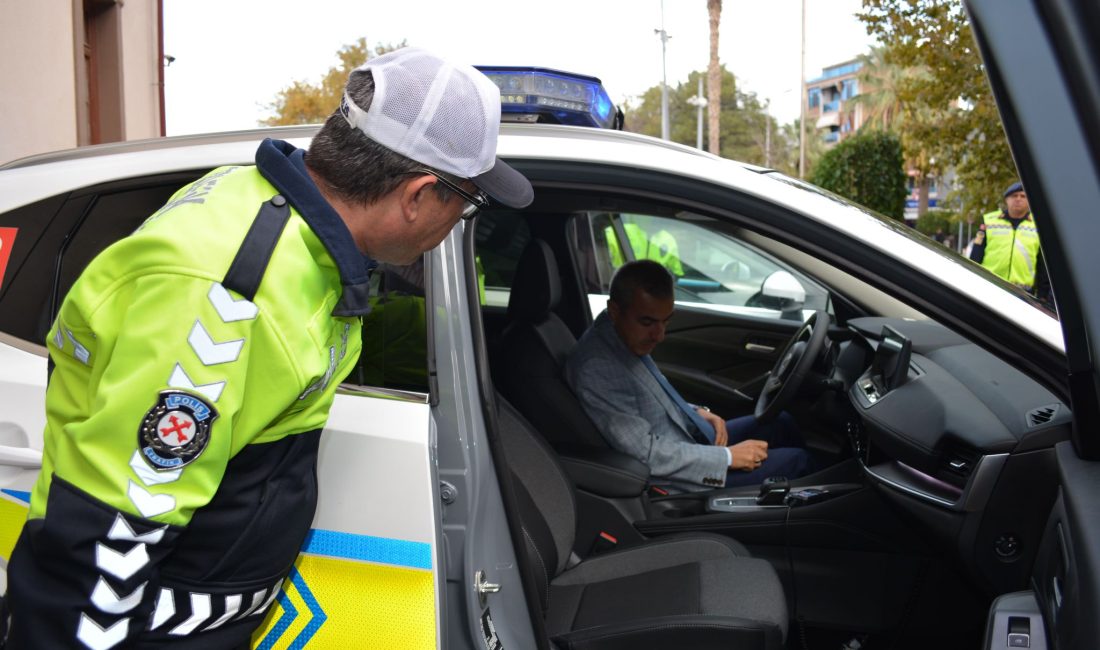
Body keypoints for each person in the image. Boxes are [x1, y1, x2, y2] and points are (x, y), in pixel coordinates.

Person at [3, 47, 532, 648]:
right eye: (466, 203)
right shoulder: (226, 301)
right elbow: (104, 542)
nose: (459, 220)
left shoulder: (270, 213)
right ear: (416, 195)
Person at [565, 260, 811, 492]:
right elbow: (643, 453)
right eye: (648, 322)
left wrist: (696, 412)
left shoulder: (619, 335)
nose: (659, 336)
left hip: (684, 440)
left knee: (780, 422)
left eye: (665, 321)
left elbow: (653, 394)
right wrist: (727, 458)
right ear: (615, 310)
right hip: (677, 479)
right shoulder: (598, 366)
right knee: (797, 461)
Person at [969, 181, 1052, 305]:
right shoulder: (990, 220)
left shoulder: (1038, 225)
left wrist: (1042, 295)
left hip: (1023, 295)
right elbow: (976, 255)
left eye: (1023, 196)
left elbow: (1043, 264)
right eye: (1014, 196)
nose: (1018, 199)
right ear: (1006, 200)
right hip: (990, 288)